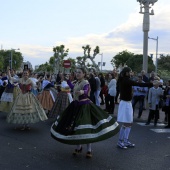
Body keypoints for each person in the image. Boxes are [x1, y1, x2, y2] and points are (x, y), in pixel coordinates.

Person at [51, 67, 119, 158]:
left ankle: (89, 150)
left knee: (86, 129)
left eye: (79, 72)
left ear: (84, 74)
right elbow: (73, 88)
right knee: (76, 127)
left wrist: (82, 91)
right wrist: (68, 82)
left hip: (85, 107)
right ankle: (78, 147)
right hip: (75, 106)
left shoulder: (86, 83)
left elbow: (86, 91)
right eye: (76, 72)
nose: (77, 74)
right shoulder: (77, 83)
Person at [117, 67, 152, 149]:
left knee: (129, 123)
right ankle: (120, 141)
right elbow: (138, 84)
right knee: (126, 123)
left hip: (127, 103)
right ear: (126, 73)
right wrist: (151, 84)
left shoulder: (124, 80)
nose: (131, 73)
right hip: (125, 103)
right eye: (130, 72)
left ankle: (125, 140)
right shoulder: (126, 80)